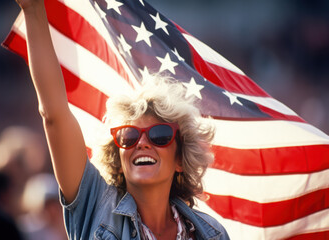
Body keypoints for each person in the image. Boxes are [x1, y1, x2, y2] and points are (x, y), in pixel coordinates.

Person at [15, 0, 230, 239]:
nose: (142, 143)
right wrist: (32, 9)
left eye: (160, 135)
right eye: (128, 136)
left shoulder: (211, 233)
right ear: (117, 158)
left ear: (180, 159)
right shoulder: (94, 205)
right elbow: (53, 115)